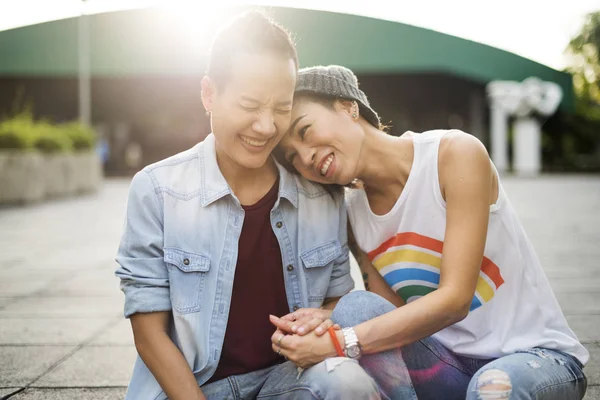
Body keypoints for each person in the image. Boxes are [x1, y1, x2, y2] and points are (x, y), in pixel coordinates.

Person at [272, 64, 589, 400]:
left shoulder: (454, 154)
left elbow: (455, 301)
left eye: (304, 131)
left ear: (347, 106)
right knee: (356, 307)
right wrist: (322, 319)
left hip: (530, 358)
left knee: (491, 388)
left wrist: (338, 342)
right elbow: (389, 314)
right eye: (293, 158)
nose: (306, 157)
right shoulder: (352, 213)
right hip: (446, 368)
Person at [114, 16, 382, 400]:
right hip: (193, 389)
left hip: (285, 383)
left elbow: (338, 300)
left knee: (349, 383)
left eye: (281, 108)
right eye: (249, 105)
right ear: (209, 94)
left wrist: (323, 319)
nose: (265, 126)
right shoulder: (157, 190)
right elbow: (149, 334)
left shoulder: (321, 197)